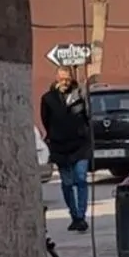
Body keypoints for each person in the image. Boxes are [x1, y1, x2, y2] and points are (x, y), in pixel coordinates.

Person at [41, 66, 92, 232]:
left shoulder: (81, 95)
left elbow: (88, 116)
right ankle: (74, 215)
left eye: (67, 79)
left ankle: (81, 216)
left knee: (81, 179)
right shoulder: (48, 99)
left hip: (80, 145)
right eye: (62, 79)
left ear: (72, 79)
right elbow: (46, 121)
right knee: (67, 183)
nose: (65, 82)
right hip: (60, 147)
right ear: (56, 78)